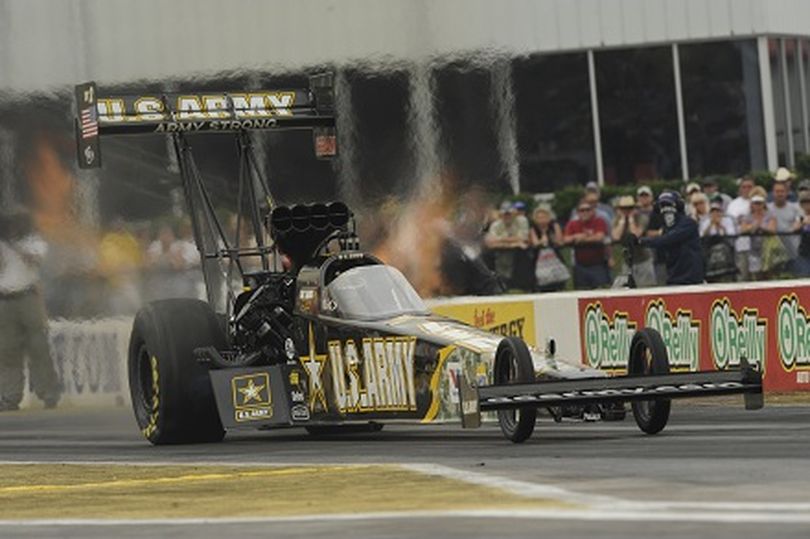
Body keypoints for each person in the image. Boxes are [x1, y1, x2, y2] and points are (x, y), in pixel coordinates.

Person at [0, 208, 61, 411]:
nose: (12, 228)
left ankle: (49, 393)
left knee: (38, 346)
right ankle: (10, 396)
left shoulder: (34, 242)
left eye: (16, 223)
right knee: (7, 350)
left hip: (27, 297)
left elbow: (34, 260)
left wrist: (15, 246)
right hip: (5, 299)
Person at [638, 192, 704, 285]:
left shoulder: (688, 223)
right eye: (662, 206)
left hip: (691, 277)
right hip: (673, 276)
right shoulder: (666, 227)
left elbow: (668, 239)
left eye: (669, 205)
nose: (665, 209)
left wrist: (641, 241)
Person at [564, 201, 611, 289]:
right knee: (581, 291)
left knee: (601, 290)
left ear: (592, 211)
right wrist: (576, 236)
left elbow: (599, 237)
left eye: (587, 210)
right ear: (578, 212)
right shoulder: (572, 224)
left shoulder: (599, 221)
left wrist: (582, 238)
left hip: (598, 265)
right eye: (582, 210)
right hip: (580, 266)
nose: (585, 212)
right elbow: (565, 239)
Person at [611, 195, 655, 287]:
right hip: (628, 261)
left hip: (643, 259)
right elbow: (616, 236)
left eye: (629, 208)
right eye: (624, 208)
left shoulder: (642, 218)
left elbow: (635, 234)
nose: (626, 211)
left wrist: (631, 219)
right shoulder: (617, 220)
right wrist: (622, 220)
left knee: (646, 288)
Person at [739, 194, 777, 280]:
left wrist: (761, 227)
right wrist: (753, 226)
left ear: (764, 204)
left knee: (768, 273)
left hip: (767, 249)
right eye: (756, 203)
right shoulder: (747, 216)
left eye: (760, 203)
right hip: (753, 249)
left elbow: (772, 229)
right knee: (755, 273)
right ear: (752, 205)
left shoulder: (769, 215)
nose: (758, 206)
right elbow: (743, 229)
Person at [726, 176, 756, 281]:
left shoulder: (759, 201)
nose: (747, 189)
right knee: (742, 277)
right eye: (744, 187)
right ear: (740, 189)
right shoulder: (733, 205)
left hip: (758, 247)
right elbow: (730, 225)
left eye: (749, 187)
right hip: (741, 246)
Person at [768, 178, 803, 261]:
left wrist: (796, 226)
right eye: (777, 191)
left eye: (782, 191)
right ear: (773, 193)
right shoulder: (767, 208)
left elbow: (799, 222)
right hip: (774, 253)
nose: (780, 194)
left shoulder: (796, 207)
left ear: (787, 192)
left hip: (794, 252)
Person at [794, 191, 810, 276]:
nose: (807, 205)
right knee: (804, 275)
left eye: (808, 202)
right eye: (804, 202)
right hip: (804, 252)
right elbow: (794, 228)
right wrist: (804, 222)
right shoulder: (800, 217)